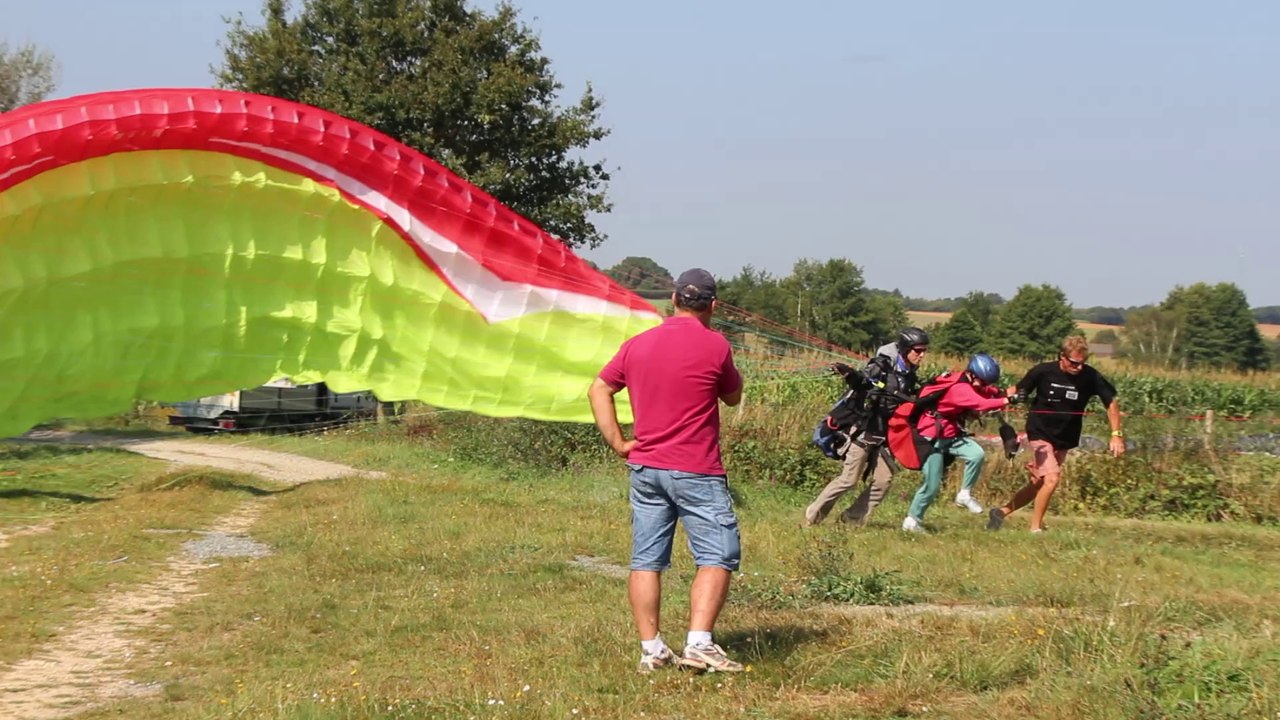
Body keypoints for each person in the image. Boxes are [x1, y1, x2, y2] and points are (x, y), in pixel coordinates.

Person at [588, 268, 745, 674]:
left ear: (672, 300)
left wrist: (620, 443)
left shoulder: (638, 343)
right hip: (696, 469)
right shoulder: (716, 345)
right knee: (717, 555)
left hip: (646, 468)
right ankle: (699, 644)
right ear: (713, 305)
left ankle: (652, 649)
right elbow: (732, 396)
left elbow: (599, 388)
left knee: (646, 560)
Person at [987, 336, 1125, 533]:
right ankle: (1035, 529)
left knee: (1039, 483)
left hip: (1065, 437)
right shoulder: (1042, 371)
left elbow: (1111, 402)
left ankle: (1000, 512)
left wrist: (1116, 434)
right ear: (1062, 356)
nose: (1078, 367)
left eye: (1082, 363)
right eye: (1074, 363)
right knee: (1052, 478)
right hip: (1039, 433)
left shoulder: (1090, 376)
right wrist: (990, 401)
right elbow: (1015, 390)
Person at [803, 327, 931, 527]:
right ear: (906, 349)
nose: (922, 355)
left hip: (885, 436)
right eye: (918, 351)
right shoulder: (881, 365)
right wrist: (850, 374)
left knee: (883, 482)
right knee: (848, 480)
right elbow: (862, 382)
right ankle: (812, 518)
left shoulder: (909, 374)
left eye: (924, 351)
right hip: (864, 431)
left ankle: (850, 520)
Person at [902, 353, 1013, 533]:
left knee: (976, 454)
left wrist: (1004, 393)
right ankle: (912, 521)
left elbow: (987, 392)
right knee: (932, 485)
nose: (985, 386)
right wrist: (1007, 400)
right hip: (932, 437)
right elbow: (981, 404)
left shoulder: (968, 381)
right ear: (973, 374)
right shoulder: (960, 388)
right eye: (984, 382)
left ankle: (964, 494)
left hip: (950, 435)